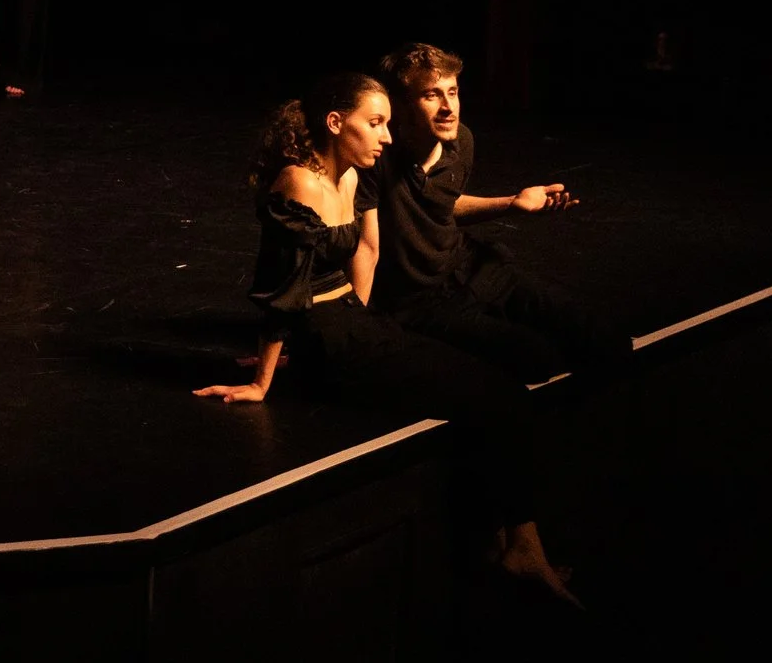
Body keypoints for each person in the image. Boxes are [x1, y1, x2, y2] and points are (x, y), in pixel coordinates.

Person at [193, 73, 576, 601]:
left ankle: (505, 540)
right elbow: (282, 290)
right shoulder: (298, 184)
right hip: (332, 343)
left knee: (500, 385)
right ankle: (522, 551)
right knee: (501, 398)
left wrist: (366, 321)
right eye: (375, 124)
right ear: (335, 123)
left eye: (387, 124)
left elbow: (363, 256)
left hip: (356, 325)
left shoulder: (348, 177)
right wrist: (265, 378)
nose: (387, 138)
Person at [362, 43, 632, 386]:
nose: (448, 108)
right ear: (398, 105)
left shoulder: (461, 141)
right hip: (417, 298)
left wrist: (511, 202)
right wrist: (363, 321)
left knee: (604, 337)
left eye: (453, 92)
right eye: (431, 95)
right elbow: (365, 245)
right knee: (537, 358)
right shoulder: (374, 158)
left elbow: (444, 205)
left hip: (470, 267)